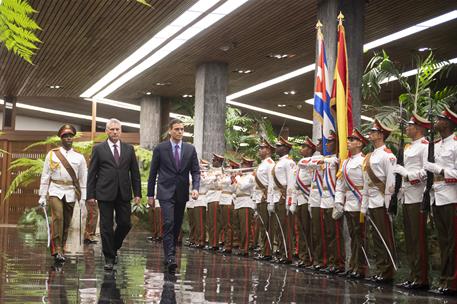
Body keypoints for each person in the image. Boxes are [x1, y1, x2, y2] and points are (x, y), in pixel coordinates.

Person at [87, 118, 141, 271]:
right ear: (106, 131)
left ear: (121, 131)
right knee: (106, 226)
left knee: (125, 223)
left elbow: (135, 173)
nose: (115, 132)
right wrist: (90, 194)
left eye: (117, 129)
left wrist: (137, 193)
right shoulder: (99, 149)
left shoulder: (129, 149)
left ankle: (114, 247)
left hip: (123, 192)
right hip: (104, 192)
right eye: (112, 129)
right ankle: (109, 258)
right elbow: (92, 173)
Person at [147, 118, 200, 273]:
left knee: (176, 224)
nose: (180, 132)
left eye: (182, 129)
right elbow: (153, 173)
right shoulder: (160, 149)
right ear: (170, 130)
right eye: (177, 129)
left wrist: (196, 187)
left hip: (182, 192)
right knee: (169, 222)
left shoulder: (190, 149)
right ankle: (170, 256)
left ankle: (170, 253)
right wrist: (150, 194)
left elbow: (196, 171)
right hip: (165, 191)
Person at [38, 124, 87, 264]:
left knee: (67, 221)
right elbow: (45, 175)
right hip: (55, 190)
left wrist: (83, 197)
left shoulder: (79, 157)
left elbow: (83, 179)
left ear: (73, 138)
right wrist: (42, 195)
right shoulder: (52, 154)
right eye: (65, 136)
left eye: (70, 136)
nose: (68, 138)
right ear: (60, 138)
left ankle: (62, 247)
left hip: (71, 192)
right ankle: (56, 249)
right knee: (58, 217)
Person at [393, 113, 430, 290]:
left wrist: (407, 174)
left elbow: (426, 171)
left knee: (418, 238)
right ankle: (413, 275)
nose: (406, 128)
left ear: (419, 128)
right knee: (409, 238)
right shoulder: (408, 147)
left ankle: (421, 278)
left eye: (409, 125)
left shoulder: (425, 146)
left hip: (417, 196)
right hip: (407, 196)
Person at [424, 106, 457, 296]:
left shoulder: (455, 144)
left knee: (453, 241)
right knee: (444, 241)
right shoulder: (436, 144)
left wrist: (440, 170)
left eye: (440, 119)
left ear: (449, 123)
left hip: (451, 197)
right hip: (437, 196)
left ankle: (452, 282)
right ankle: (445, 280)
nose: (436, 121)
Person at [361, 118, 397, 284]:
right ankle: (380, 269)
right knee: (376, 237)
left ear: (381, 135)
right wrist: (365, 204)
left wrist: (389, 204)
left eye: (374, 132)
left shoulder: (388, 155)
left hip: (382, 201)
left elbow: (391, 182)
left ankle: (387, 272)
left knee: (384, 237)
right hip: (372, 201)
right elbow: (367, 182)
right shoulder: (370, 155)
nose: (371, 134)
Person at [334, 129, 368, 279]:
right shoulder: (346, 162)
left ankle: (360, 268)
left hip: (360, 202)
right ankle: (353, 265)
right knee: (353, 236)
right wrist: (338, 202)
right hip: (349, 203)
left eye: (352, 140)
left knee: (360, 236)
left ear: (360, 143)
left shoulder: (365, 160)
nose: (348, 142)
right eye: (348, 139)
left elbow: (367, 184)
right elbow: (340, 184)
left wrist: (365, 204)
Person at [268, 136, 296, 264]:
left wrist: (290, 201)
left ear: (286, 148)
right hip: (277, 197)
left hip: (284, 197)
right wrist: (270, 201)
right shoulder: (278, 162)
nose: (276, 148)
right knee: (279, 227)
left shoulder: (289, 163)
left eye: (279, 146)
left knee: (286, 228)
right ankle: (281, 252)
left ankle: (287, 255)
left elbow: (291, 183)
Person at [293, 137, 315, 267]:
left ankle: (309, 257)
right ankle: (303, 256)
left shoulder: (313, 161)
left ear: (311, 149)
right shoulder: (300, 162)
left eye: (304, 147)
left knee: (308, 229)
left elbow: (312, 181)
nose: (302, 149)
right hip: (300, 198)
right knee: (300, 229)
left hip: (308, 197)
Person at [253, 138, 275, 260]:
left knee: (267, 226)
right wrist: (256, 200)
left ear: (268, 151)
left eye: (262, 148)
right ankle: (264, 250)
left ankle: (268, 252)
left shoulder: (270, 164)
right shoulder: (262, 164)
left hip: (266, 198)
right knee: (262, 225)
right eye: (260, 148)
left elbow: (271, 184)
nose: (260, 150)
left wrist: (270, 201)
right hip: (260, 198)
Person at [205, 153, 224, 250]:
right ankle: (213, 242)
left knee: (217, 222)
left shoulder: (224, 171)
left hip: (219, 197)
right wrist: (214, 177)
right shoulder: (211, 171)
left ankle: (215, 243)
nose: (212, 162)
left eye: (214, 160)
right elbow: (206, 182)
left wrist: (218, 178)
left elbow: (223, 184)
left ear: (218, 162)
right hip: (211, 197)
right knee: (211, 222)